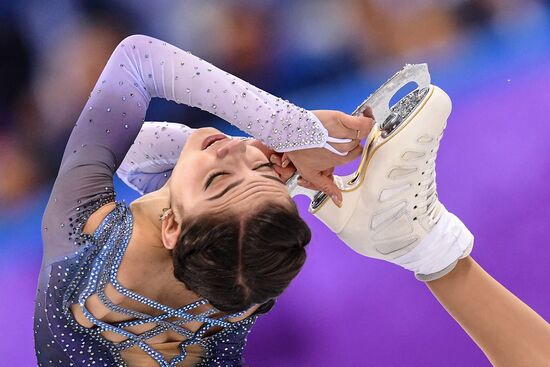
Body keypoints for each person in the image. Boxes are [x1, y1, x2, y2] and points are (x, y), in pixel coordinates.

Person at [34, 34, 373, 366]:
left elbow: (138, 61)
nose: (237, 148)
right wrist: (280, 145)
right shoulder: (249, 276)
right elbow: (136, 154)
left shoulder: (80, 239)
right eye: (265, 170)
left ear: (172, 226)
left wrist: (296, 130)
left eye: (219, 179)